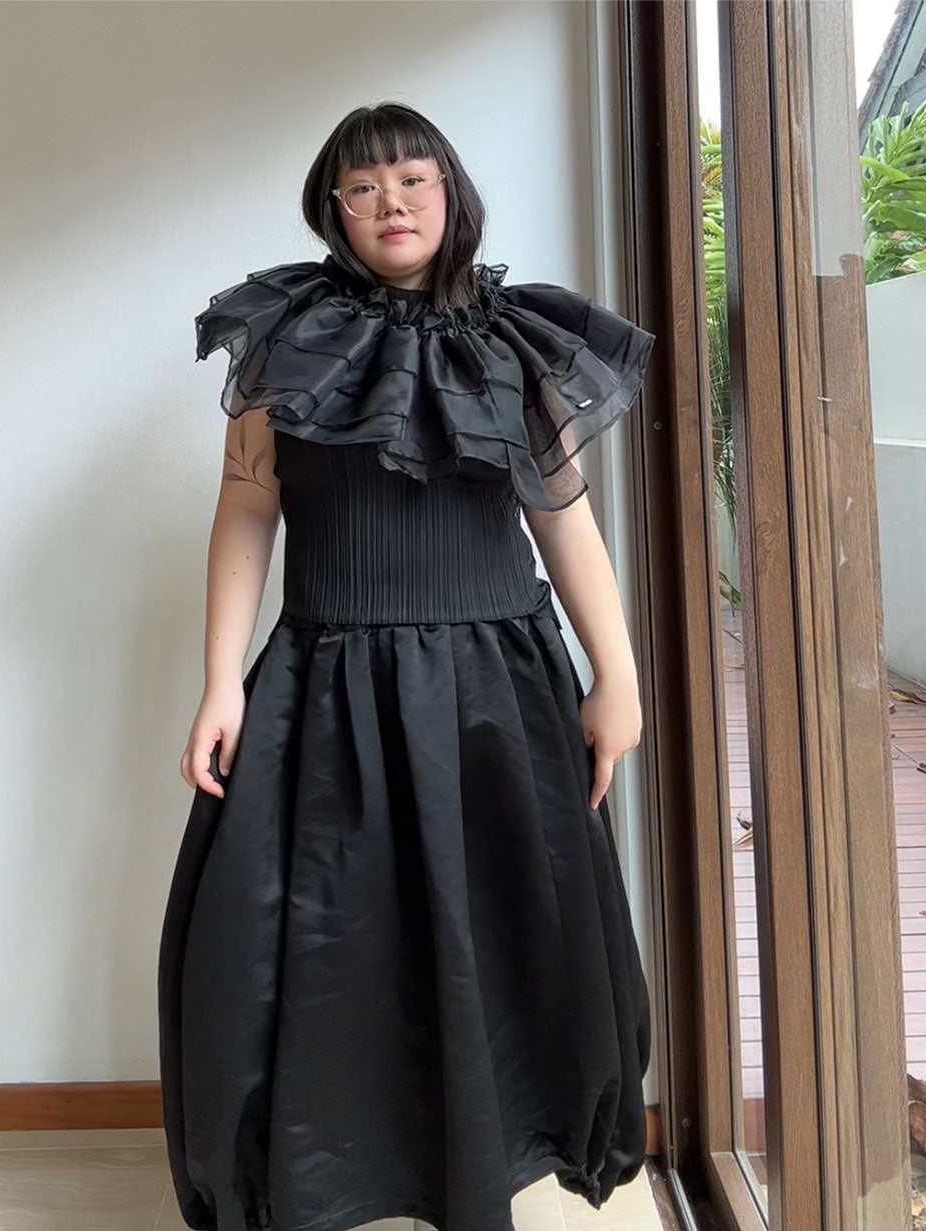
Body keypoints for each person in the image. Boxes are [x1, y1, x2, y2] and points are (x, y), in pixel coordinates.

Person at [157, 102, 655, 1231]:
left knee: (500, 940)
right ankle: (334, 1176)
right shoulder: (286, 337)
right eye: (364, 186)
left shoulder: (519, 340)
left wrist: (617, 676)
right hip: (326, 686)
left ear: (451, 193)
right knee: (315, 946)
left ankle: (482, 1167)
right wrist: (221, 680)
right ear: (333, 209)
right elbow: (246, 508)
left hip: (498, 695)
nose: (391, 202)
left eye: (414, 178)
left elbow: (563, 519)